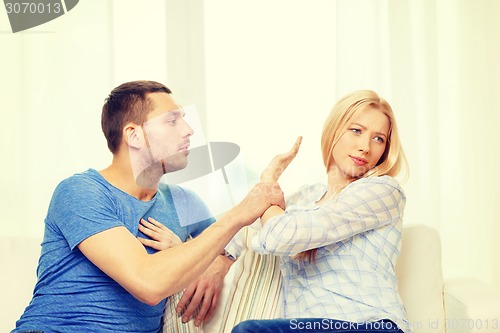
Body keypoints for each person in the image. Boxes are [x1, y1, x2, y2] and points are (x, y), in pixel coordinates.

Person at [12, 80, 285, 333]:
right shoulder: (80, 191)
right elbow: (148, 283)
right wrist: (240, 213)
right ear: (134, 136)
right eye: (171, 121)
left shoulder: (184, 201)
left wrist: (219, 262)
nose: (189, 131)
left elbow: (229, 245)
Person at [231, 90, 410, 332]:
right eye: (356, 130)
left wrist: (268, 183)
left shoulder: (382, 191)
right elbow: (239, 229)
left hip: (371, 325)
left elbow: (280, 236)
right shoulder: (305, 198)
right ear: (333, 130)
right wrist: (217, 262)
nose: (365, 147)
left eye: (378, 139)